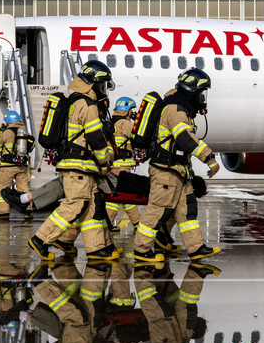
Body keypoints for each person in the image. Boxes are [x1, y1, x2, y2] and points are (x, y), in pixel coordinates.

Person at [28, 60, 118, 261]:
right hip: (78, 165)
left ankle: (95, 248)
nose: (103, 90)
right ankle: (41, 239)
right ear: (93, 84)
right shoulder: (87, 105)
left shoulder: (75, 101)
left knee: (92, 206)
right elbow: (95, 138)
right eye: (101, 84)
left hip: (81, 167)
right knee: (75, 205)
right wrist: (106, 161)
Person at [132, 69, 221, 264]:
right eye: (201, 93)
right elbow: (185, 139)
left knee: (187, 210)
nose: (202, 98)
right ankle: (141, 250)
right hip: (166, 172)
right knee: (157, 211)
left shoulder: (182, 108)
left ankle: (196, 248)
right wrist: (209, 159)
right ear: (191, 90)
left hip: (178, 171)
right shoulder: (176, 110)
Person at [106, 96, 142, 233]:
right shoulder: (125, 124)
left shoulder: (111, 122)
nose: (132, 112)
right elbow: (137, 138)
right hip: (122, 166)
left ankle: (137, 222)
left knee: (126, 194)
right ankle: (108, 223)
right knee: (116, 196)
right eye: (131, 109)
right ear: (126, 110)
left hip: (113, 164)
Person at [0, 110, 33, 220]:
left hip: (8, 166)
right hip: (22, 165)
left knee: (2, 188)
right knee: (24, 188)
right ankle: (28, 210)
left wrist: (0, 132)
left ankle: (3, 212)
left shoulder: (7, 132)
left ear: (8, 121)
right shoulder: (25, 131)